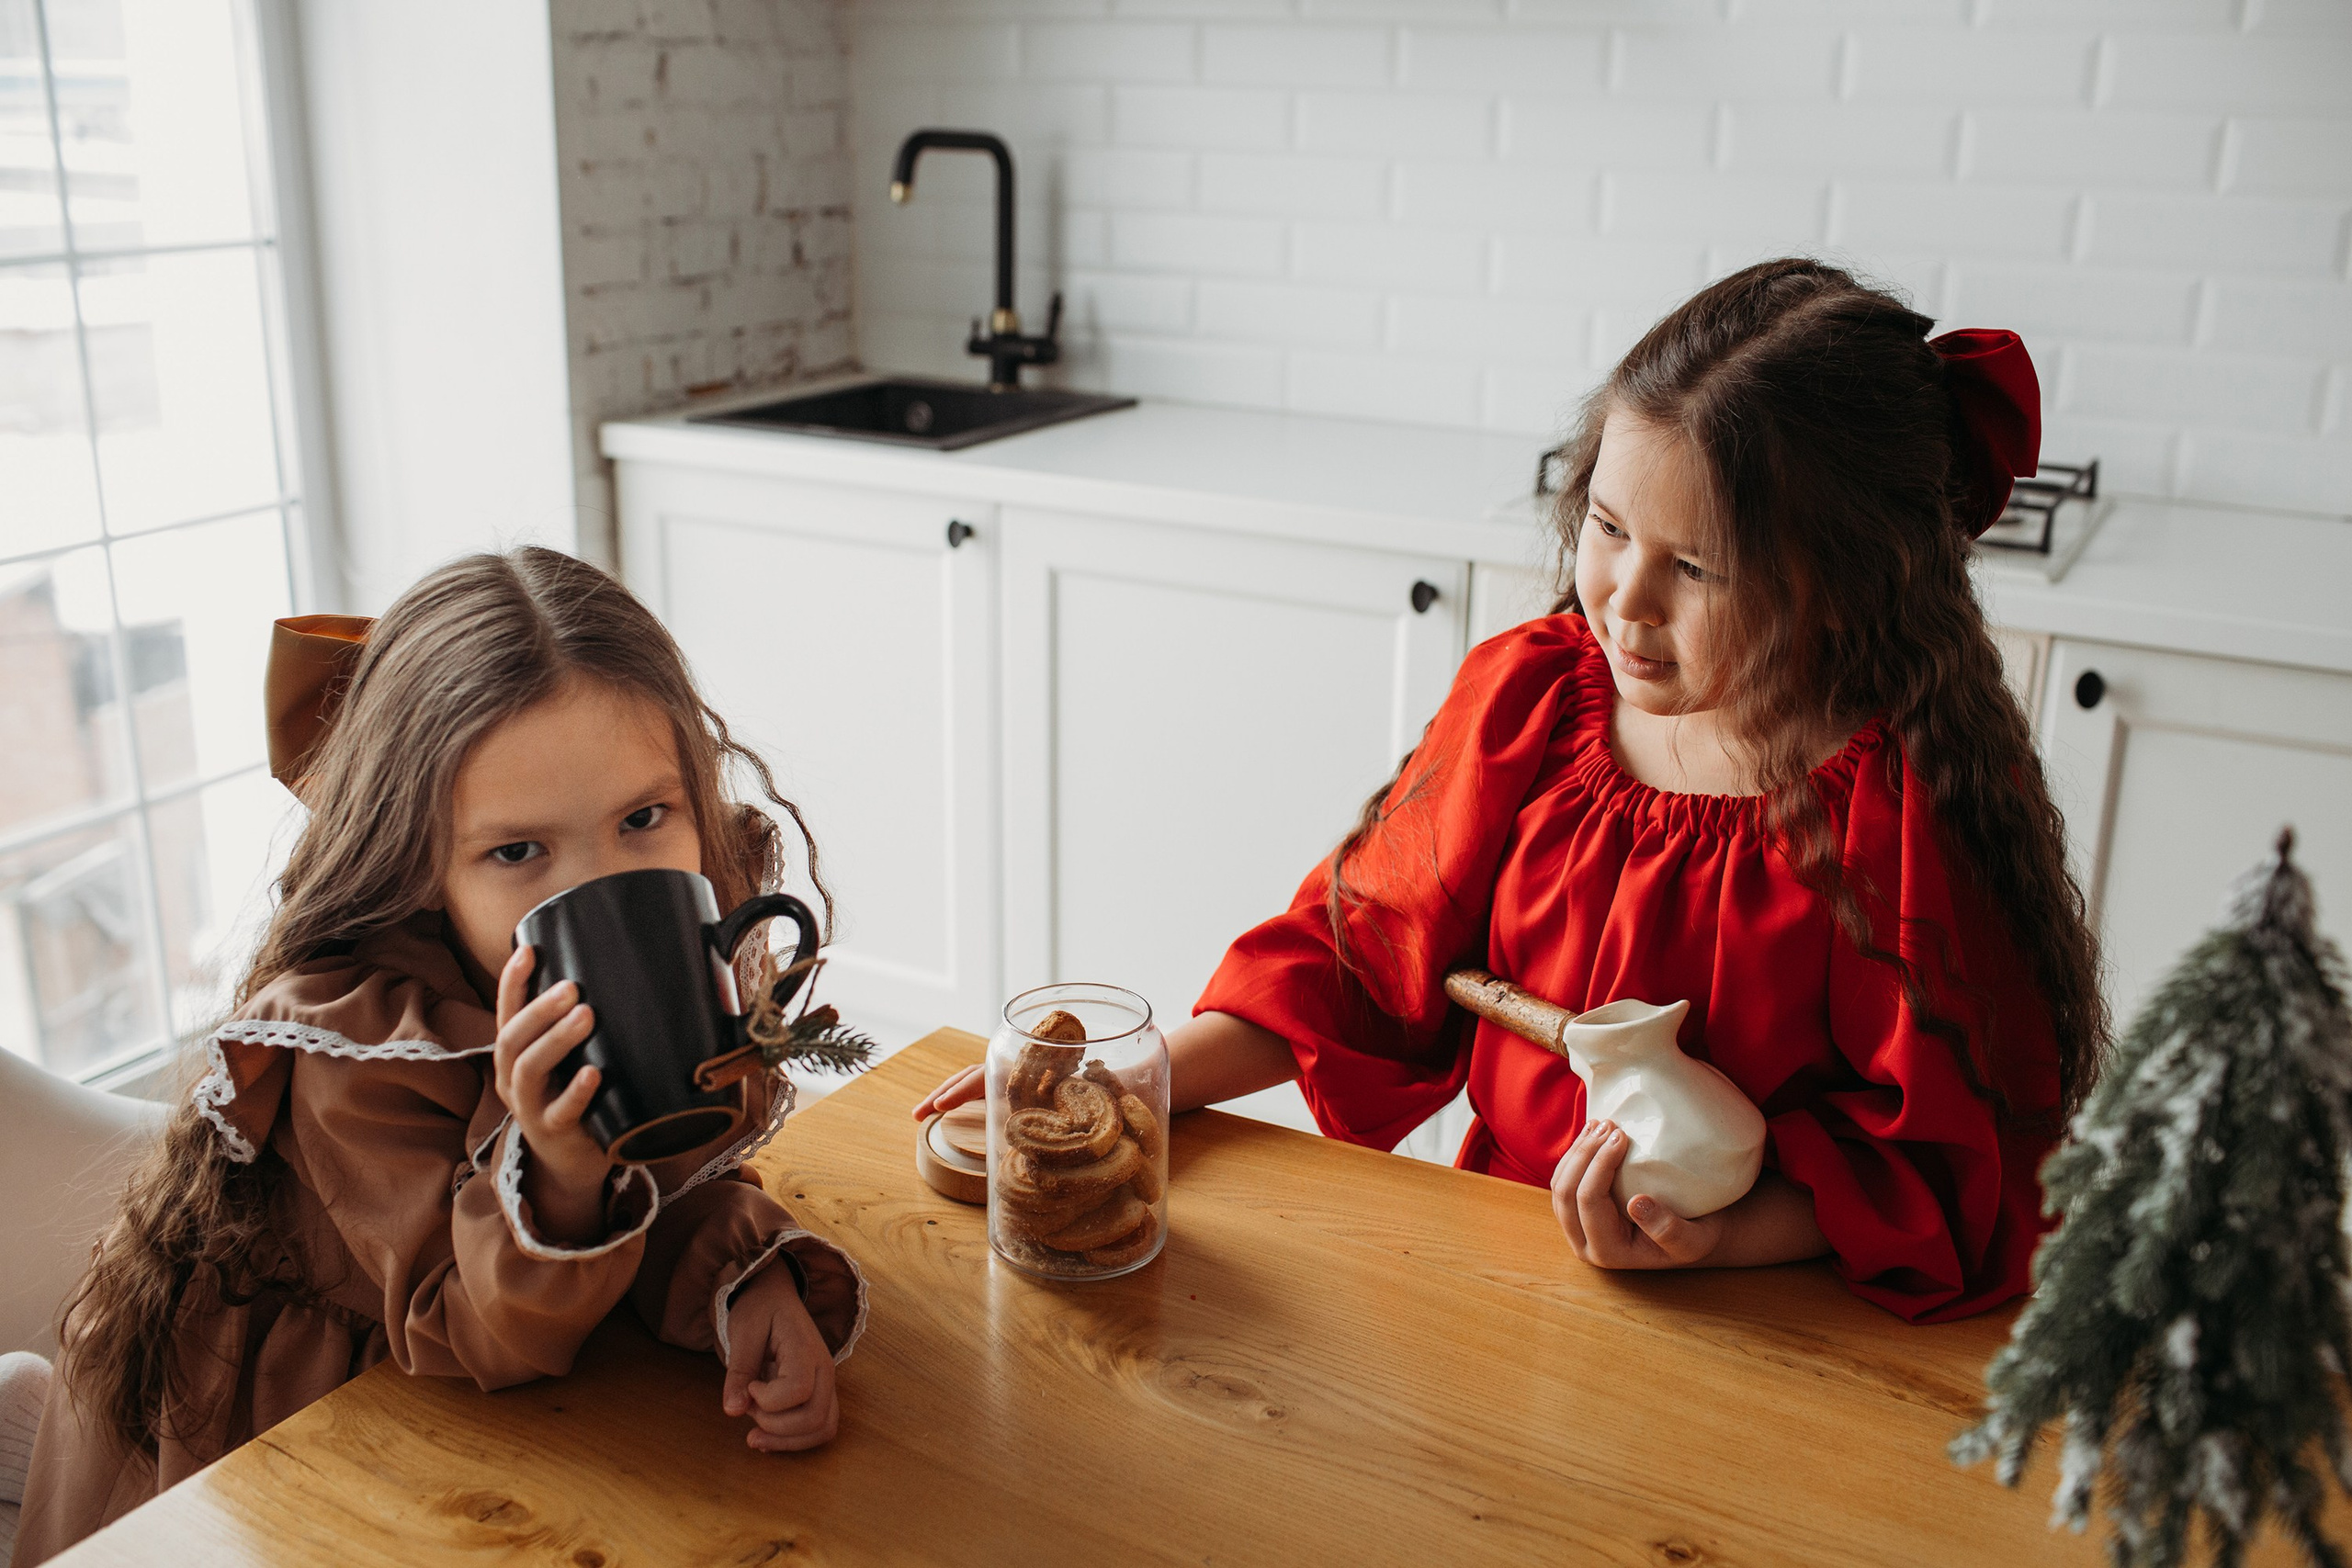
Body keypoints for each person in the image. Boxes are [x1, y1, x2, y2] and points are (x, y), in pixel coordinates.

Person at [920, 258, 2106, 1324]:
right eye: (1608, 526)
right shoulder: (1534, 699)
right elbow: (1357, 957)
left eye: (1697, 567)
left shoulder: (1899, 815)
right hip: (1494, 1261)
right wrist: (1140, 1079)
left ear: (1845, 585)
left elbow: (1947, 1167)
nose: (1626, 598)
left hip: (1762, 1314)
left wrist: (1719, 1236)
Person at [19, 548, 864, 1564]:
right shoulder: (356, 1047)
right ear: (420, 863)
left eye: (643, 819)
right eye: (517, 851)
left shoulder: (681, 949)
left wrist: (745, 1280)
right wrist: (558, 1173)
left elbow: (662, 1179)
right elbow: (474, 1335)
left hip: (542, 1408)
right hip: (315, 1426)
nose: (600, 888)